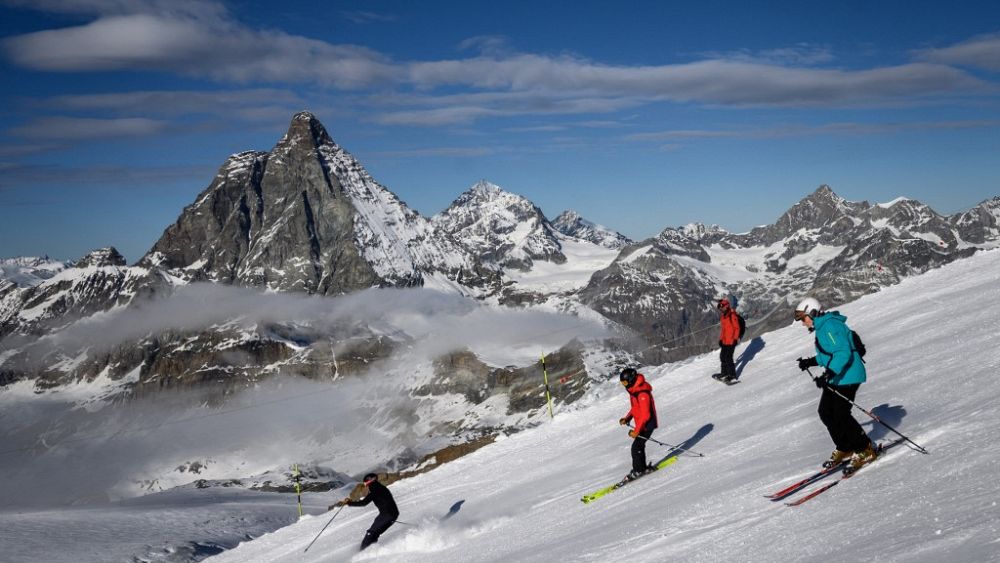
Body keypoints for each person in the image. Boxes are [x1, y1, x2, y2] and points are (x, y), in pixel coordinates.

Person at [794, 297, 877, 473]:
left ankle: (865, 448)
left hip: (849, 375)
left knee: (841, 414)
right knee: (825, 412)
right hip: (839, 376)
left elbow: (842, 352)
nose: (803, 323)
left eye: (803, 318)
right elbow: (829, 354)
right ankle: (846, 446)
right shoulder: (823, 328)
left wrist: (829, 373)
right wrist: (810, 362)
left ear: (812, 312)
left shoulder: (830, 326)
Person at [332, 473, 399, 551]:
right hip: (393, 514)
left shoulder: (375, 490)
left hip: (386, 514)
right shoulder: (381, 488)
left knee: (371, 533)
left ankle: (363, 552)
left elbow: (363, 503)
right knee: (375, 533)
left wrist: (348, 503)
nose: (365, 485)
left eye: (365, 483)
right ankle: (371, 550)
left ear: (368, 482)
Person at [617, 367, 659, 481]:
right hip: (642, 423)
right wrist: (627, 418)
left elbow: (646, 415)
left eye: (625, 382)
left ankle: (639, 470)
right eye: (622, 383)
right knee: (638, 446)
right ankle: (642, 468)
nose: (624, 385)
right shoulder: (635, 391)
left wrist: (636, 431)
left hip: (647, 424)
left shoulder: (642, 394)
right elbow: (635, 408)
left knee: (636, 447)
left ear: (631, 379)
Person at [715, 298, 741, 383]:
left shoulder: (732, 315)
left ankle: (732, 375)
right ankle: (724, 373)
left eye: (722, 308)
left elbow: (737, 328)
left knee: (728, 357)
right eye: (720, 308)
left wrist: (735, 339)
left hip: (731, 340)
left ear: (726, 306)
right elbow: (723, 330)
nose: (721, 309)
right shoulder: (723, 317)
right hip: (725, 340)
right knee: (722, 356)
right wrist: (721, 339)